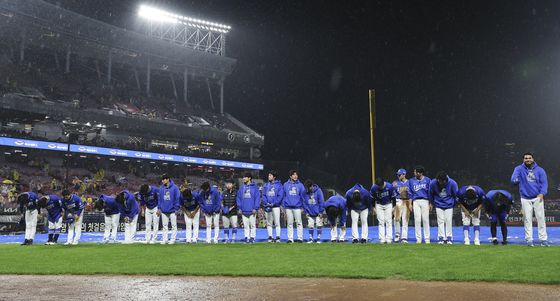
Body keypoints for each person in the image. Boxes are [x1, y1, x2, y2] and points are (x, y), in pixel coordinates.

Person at [511, 152, 549, 247]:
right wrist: (516, 180)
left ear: (533, 159)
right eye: (526, 158)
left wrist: (542, 193)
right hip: (525, 198)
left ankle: (543, 239)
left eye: (529, 158)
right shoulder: (519, 169)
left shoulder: (540, 170)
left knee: (540, 219)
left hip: (537, 197)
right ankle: (529, 240)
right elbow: (513, 179)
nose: (528, 159)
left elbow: (544, 183)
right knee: (527, 219)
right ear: (523, 160)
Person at [429, 171, 458, 244]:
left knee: (448, 221)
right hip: (438, 204)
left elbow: (456, 195)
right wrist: (433, 203)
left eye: (441, 181)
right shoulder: (433, 183)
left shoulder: (452, 183)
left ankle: (449, 238)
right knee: (440, 221)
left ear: (445, 180)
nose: (440, 182)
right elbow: (430, 194)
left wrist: (453, 204)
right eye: (438, 180)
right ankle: (441, 238)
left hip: (449, 205)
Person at [408, 166, 431, 244]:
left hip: (425, 200)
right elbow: (410, 193)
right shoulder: (411, 181)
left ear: (421, 173)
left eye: (416, 172)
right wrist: (410, 204)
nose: (415, 173)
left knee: (425, 220)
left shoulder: (427, 180)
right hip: (416, 201)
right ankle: (418, 239)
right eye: (415, 172)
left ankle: (427, 239)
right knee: (417, 220)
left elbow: (430, 192)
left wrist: (430, 203)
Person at [370, 177, 396, 244]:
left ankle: (389, 239)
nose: (379, 187)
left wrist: (394, 207)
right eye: (378, 186)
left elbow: (393, 197)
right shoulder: (374, 188)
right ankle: (382, 239)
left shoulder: (389, 186)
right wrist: (373, 208)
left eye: (380, 186)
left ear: (383, 183)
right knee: (381, 222)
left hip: (388, 204)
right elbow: (372, 199)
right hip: (379, 205)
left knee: (388, 222)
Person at [282, 170, 305, 243]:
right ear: (290, 176)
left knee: (299, 223)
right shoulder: (285, 184)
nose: (295, 176)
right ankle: (290, 239)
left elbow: (303, 197)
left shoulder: (300, 185)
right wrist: (283, 206)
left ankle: (300, 238)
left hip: (297, 207)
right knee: (289, 223)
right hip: (288, 207)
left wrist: (302, 207)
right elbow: (283, 196)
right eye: (294, 175)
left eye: (296, 175)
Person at [237, 172, 260, 243]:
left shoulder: (255, 187)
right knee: (245, 225)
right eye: (243, 177)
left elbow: (257, 198)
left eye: (245, 177)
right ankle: (246, 237)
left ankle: (252, 237)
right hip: (244, 209)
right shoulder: (241, 187)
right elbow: (238, 198)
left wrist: (255, 208)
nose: (243, 178)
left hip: (252, 209)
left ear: (249, 178)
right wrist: (240, 208)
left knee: (253, 225)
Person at [158, 174, 181, 244]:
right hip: (164, 210)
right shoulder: (161, 188)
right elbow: (159, 199)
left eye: (163, 179)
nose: (162, 181)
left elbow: (177, 198)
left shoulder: (175, 187)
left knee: (174, 225)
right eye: (162, 180)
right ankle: (165, 239)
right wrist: (159, 208)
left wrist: (176, 208)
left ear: (168, 179)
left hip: (173, 210)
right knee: (164, 226)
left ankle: (173, 239)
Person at [262, 170, 284, 243]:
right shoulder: (266, 185)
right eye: (268, 175)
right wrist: (266, 203)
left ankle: (278, 237)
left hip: (276, 206)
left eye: (270, 175)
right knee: (269, 223)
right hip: (268, 206)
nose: (269, 177)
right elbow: (264, 195)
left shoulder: (279, 185)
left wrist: (274, 203)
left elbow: (280, 196)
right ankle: (270, 237)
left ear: (274, 177)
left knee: (277, 222)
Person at [393, 168, 412, 243]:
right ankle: (397, 235)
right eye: (398, 174)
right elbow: (393, 194)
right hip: (398, 201)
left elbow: (411, 194)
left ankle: (404, 237)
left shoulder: (409, 183)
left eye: (399, 174)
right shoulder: (395, 183)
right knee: (396, 218)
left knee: (405, 219)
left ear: (404, 174)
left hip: (407, 201)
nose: (398, 176)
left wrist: (410, 203)